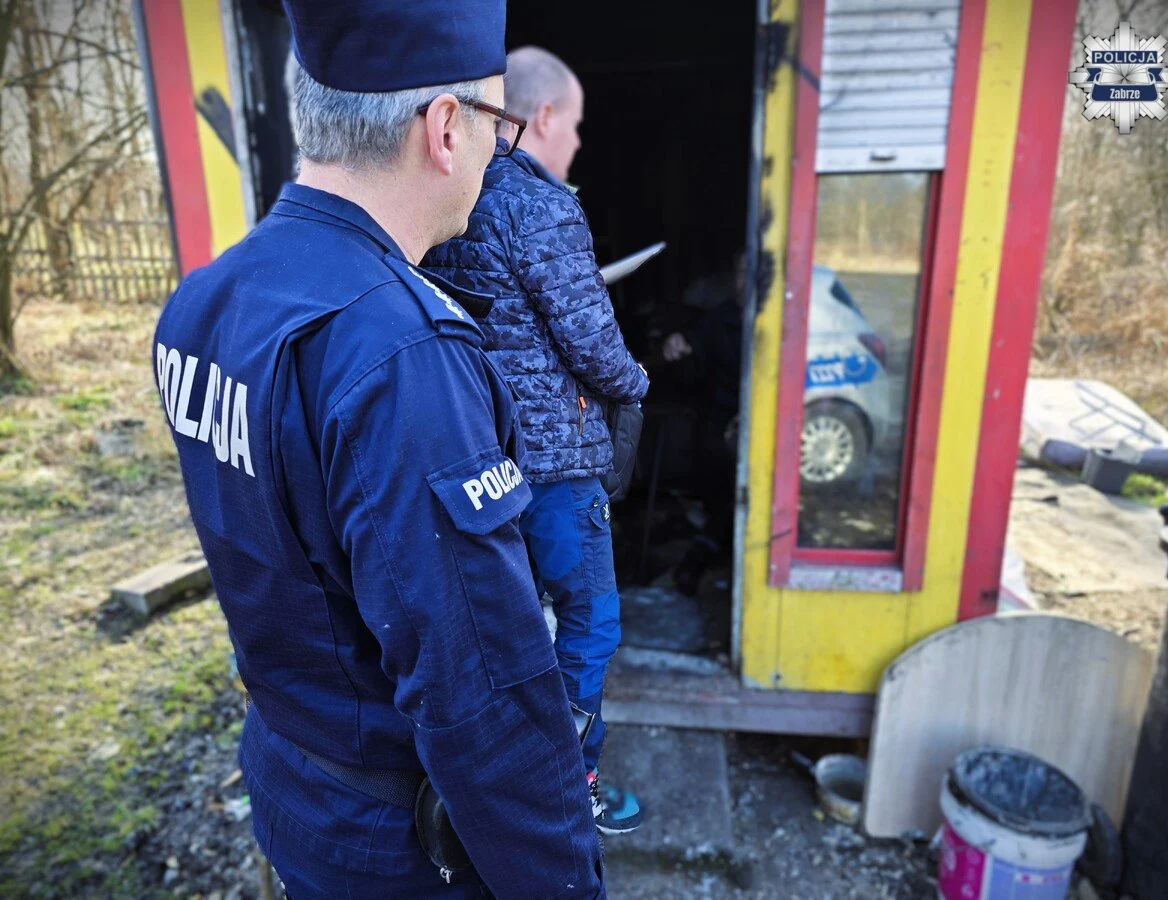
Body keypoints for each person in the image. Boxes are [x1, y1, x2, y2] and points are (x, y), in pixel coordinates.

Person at [151, 3, 604, 897]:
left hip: (295, 785)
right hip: (397, 848)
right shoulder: (403, 355)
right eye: (498, 124)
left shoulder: (204, 301)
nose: (497, 151)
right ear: (446, 127)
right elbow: (484, 696)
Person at [425, 46, 649, 835]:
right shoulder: (540, 205)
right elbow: (593, 342)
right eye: (575, 125)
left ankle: (503, 782)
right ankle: (568, 788)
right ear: (543, 116)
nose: (577, 142)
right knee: (589, 622)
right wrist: (640, 381)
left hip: (479, 461)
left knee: (507, 630)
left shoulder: (447, 195)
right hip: (556, 467)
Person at [661, 252, 746, 596]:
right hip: (720, 421)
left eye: (753, 271)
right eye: (740, 272)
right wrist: (676, 348)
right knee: (717, 468)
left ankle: (704, 551)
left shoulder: (784, 319)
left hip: (762, 424)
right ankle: (710, 547)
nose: (745, 281)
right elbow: (689, 369)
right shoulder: (717, 320)